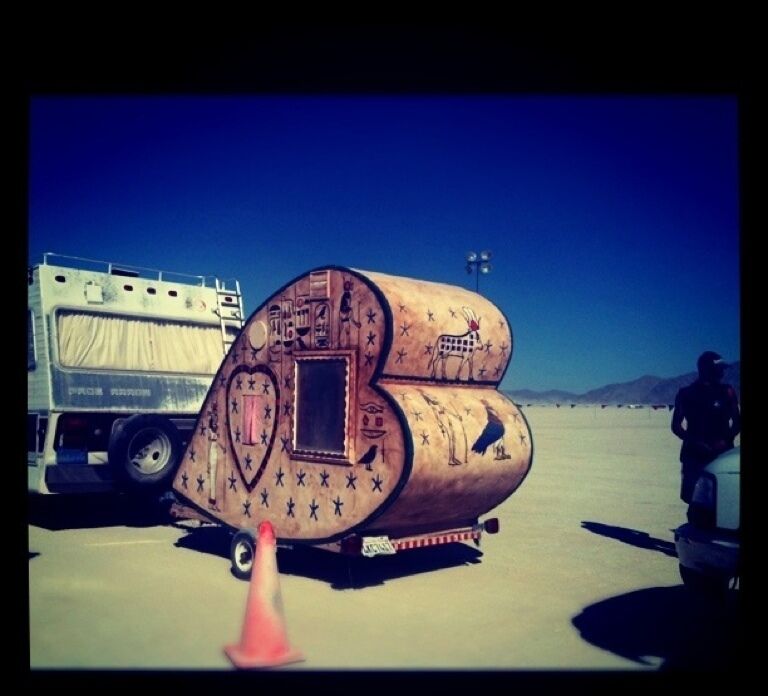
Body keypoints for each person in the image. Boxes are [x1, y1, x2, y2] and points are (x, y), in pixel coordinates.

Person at [671, 351, 740, 503]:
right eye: (719, 369)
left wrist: (724, 441)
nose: (722, 373)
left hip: (722, 455)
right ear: (707, 370)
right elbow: (676, 426)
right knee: (693, 497)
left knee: (723, 497)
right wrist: (696, 442)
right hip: (694, 456)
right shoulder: (686, 394)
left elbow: (737, 422)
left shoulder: (727, 392)